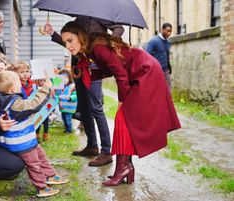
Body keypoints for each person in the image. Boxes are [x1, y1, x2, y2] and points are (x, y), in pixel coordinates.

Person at [59, 21, 181, 186]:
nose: (67, 45)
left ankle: (123, 168)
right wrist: (86, 72)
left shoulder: (97, 48)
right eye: (65, 42)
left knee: (122, 119)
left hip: (145, 71)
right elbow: (109, 68)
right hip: (139, 70)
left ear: (80, 37)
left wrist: (121, 102)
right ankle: (125, 167)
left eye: (70, 40)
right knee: (123, 122)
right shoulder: (91, 50)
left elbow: (121, 74)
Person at [43, 17, 124, 166]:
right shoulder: (77, 20)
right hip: (78, 67)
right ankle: (92, 146)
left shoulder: (99, 15)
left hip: (93, 67)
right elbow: (70, 43)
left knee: (96, 108)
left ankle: (106, 151)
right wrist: (53, 33)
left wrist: (108, 44)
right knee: (85, 108)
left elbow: (119, 27)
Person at [0, 71, 69, 197]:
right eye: (18, 82)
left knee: (41, 155)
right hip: (22, 143)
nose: (20, 85)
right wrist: (45, 89)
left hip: (23, 141)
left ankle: (51, 175)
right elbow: (33, 105)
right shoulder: (15, 104)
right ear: (13, 89)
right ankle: (42, 188)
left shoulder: (2, 100)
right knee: (34, 165)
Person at [0, 55, 25, 181]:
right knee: (16, 164)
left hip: (0, 141)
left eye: (5, 70)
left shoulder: (2, 94)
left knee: (24, 155)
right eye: (0, 70)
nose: (3, 74)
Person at [145, 23, 173, 91]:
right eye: (167, 31)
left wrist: (169, 68)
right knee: (157, 92)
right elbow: (146, 55)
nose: (169, 33)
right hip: (156, 72)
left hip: (165, 71)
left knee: (168, 92)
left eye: (170, 31)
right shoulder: (154, 41)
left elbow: (167, 56)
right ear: (162, 30)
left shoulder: (168, 42)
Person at [56, 68, 77, 133]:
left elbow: (76, 95)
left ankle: (69, 130)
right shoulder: (60, 87)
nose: (64, 80)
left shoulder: (72, 86)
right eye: (62, 78)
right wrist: (58, 101)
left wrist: (70, 97)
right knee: (64, 119)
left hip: (70, 107)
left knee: (68, 119)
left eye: (66, 78)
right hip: (63, 107)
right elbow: (57, 95)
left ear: (69, 78)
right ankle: (66, 128)